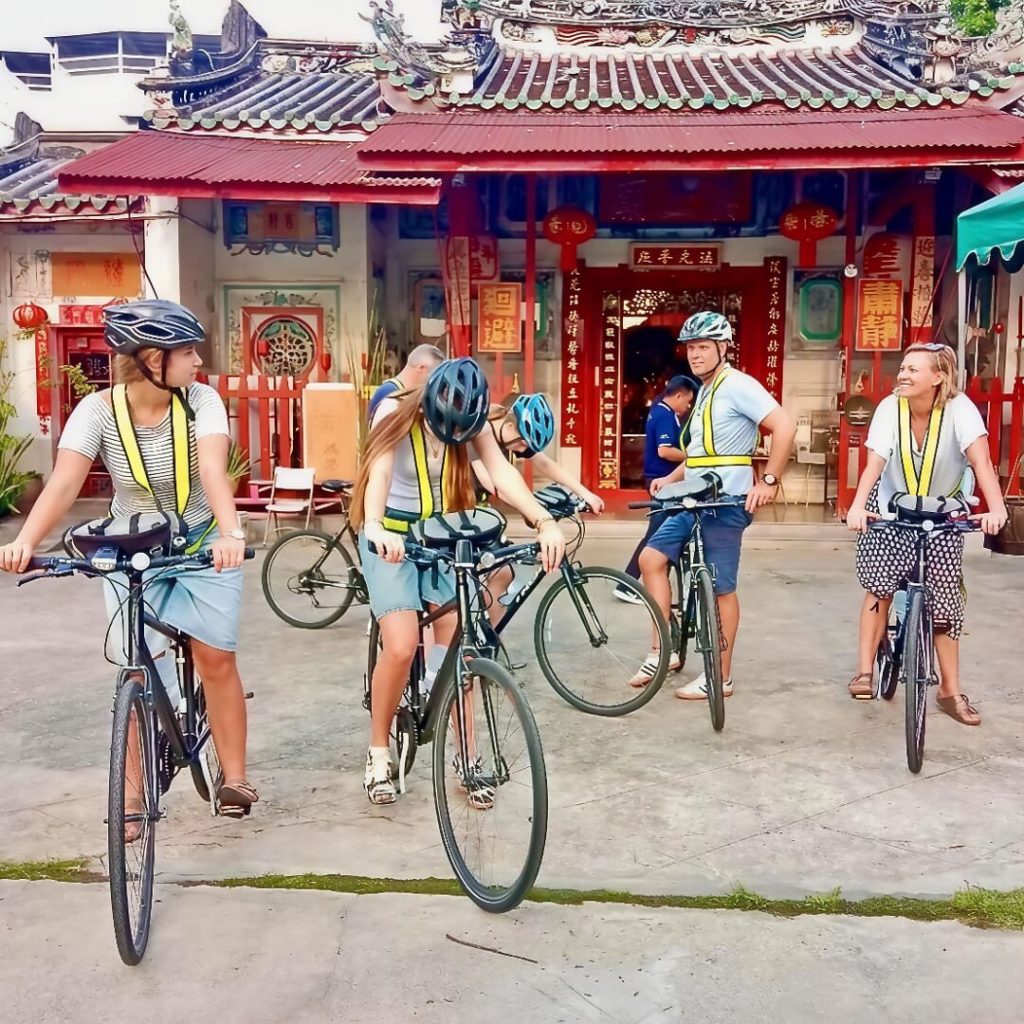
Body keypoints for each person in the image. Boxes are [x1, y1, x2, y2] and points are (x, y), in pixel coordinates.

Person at [0, 299, 257, 815]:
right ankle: (134, 798)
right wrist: (26, 540)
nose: (197, 363)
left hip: (204, 541)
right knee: (138, 667)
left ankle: (235, 778)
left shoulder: (201, 401)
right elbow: (66, 482)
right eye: (187, 353)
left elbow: (212, 469)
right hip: (131, 546)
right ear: (150, 360)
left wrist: (231, 532)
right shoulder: (97, 411)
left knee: (214, 657)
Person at [350, 358, 566, 806]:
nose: (449, 438)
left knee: (457, 652)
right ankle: (377, 752)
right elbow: (380, 474)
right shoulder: (394, 410)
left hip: (445, 534)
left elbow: (502, 474)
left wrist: (543, 520)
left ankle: (466, 757)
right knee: (402, 644)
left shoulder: (474, 420)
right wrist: (374, 525)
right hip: (391, 535)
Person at [633, 311, 796, 696]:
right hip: (692, 497)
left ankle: (719, 677)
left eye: (704, 347)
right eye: (691, 348)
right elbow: (701, 453)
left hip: (726, 501)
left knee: (721, 587)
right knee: (650, 560)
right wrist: (668, 480)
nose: (696, 355)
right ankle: (663, 651)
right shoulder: (704, 390)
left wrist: (769, 479)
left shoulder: (739, 385)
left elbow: (785, 426)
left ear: (723, 348)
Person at [845, 343, 1007, 725]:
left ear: (938, 377)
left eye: (913, 370)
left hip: (944, 513)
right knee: (880, 585)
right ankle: (865, 670)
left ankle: (949, 692)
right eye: (902, 368)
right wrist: (857, 505)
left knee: (945, 606)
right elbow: (875, 464)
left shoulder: (960, 409)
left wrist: (995, 509)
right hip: (892, 508)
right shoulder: (890, 408)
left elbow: (981, 462)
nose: (903, 375)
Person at [471, 392, 604, 623]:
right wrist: (537, 513)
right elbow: (495, 485)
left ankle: (486, 644)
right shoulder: (477, 431)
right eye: (523, 441)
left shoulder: (512, 433)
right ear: (510, 423)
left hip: (481, 516)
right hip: (456, 514)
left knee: (502, 573)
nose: (523, 450)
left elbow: (545, 462)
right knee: (469, 584)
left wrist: (585, 493)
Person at [617, 374, 699, 603]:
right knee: (656, 535)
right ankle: (627, 585)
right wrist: (694, 457)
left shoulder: (659, 410)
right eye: (688, 401)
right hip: (662, 482)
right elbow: (664, 451)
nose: (687, 406)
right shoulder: (664, 415)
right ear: (679, 395)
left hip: (662, 481)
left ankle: (640, 582)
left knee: (660, 534)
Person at [367, 343, 445, 421]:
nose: (433, 382)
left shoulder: (399, 392)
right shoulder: (389, 392)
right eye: (433, 376)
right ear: (421, 368)